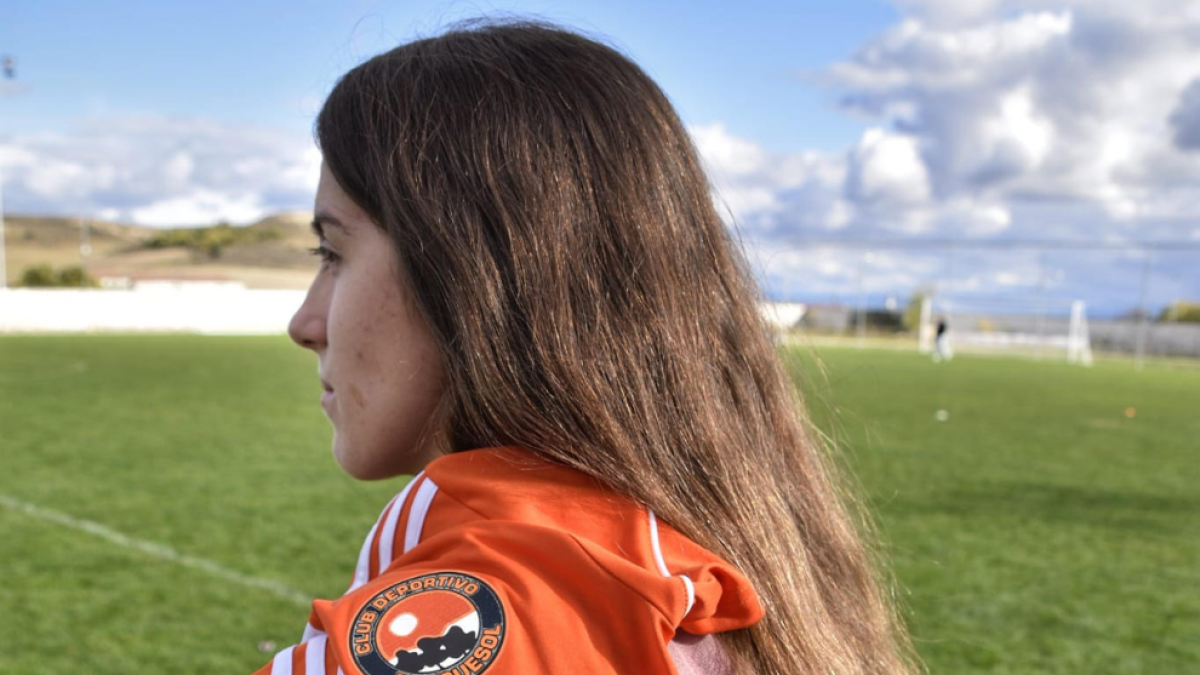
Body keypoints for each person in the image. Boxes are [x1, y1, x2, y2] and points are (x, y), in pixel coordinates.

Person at [259, 21, 914, 675]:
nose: (304, 322)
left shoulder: (523, 587)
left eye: (333, 252)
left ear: (474, 275)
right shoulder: (681, 543)